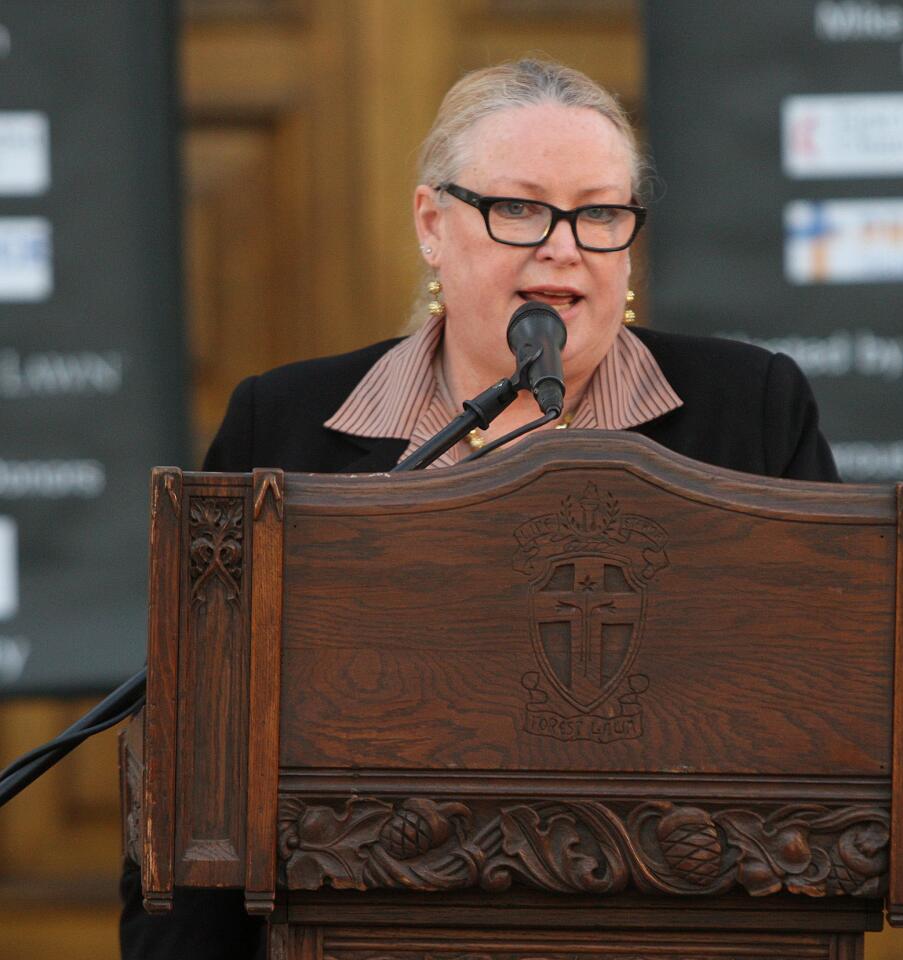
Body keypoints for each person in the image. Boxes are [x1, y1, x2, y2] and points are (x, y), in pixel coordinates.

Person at [120, 58, 839, 960]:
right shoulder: (287, 426)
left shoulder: (751, 412)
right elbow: (202, 757)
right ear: (433, 223)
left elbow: (826, 709)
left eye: (600, 213)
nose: (564, 246)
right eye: (521, 209)